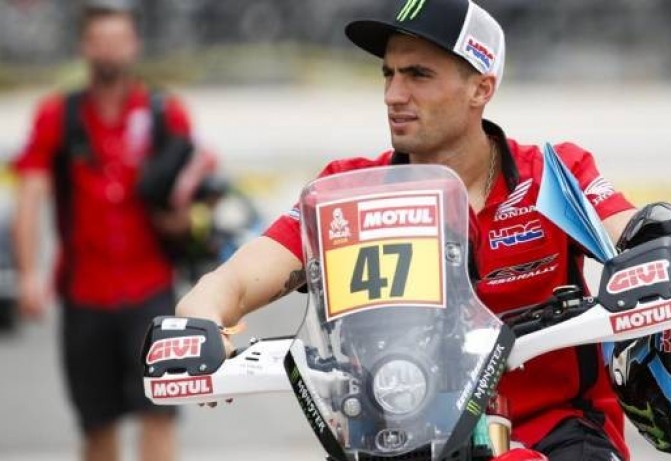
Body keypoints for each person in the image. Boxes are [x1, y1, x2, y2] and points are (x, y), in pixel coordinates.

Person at [177, 1, 635, 460]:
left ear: (481, 87)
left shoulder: (555, 176)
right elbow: (233, 282)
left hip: (557, 436)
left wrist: (654, 247)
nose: (394, 95)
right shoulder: (347, 194)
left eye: (418, 75)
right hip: (399, 440)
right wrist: (199, 325)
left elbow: (635, 234)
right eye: (388, 74)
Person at [11, 3, 213, 460]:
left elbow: (195, 198)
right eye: (99, 41)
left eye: (118, 40)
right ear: (84, 47)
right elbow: (30, 194)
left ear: (135, 45)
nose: (109, 51)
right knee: (97, 424)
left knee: (160, 412)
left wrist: (182, 222)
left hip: (151, 288)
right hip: (85, 291)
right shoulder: (58, 115)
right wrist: (28, 273)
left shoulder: (165, 113)